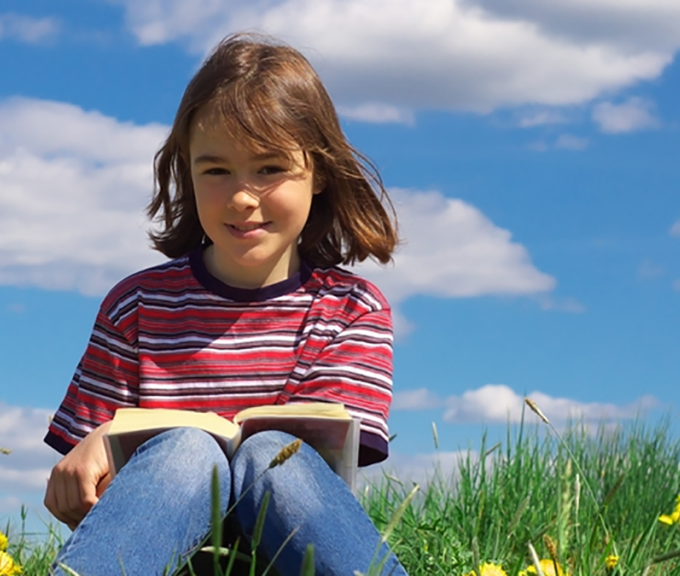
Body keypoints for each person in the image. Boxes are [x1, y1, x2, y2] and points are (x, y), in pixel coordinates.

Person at [43, 32, 407, 576]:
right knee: (184, 455)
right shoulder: (136, 306)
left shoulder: (351, 310)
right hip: (167, 558)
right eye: (216, 170)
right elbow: (93, 483)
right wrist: (85, 462)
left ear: (321, 173)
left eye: (269, 168)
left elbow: (321, 463)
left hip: (291, 558)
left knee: (270, 456)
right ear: (185, 172)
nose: (242, 196)